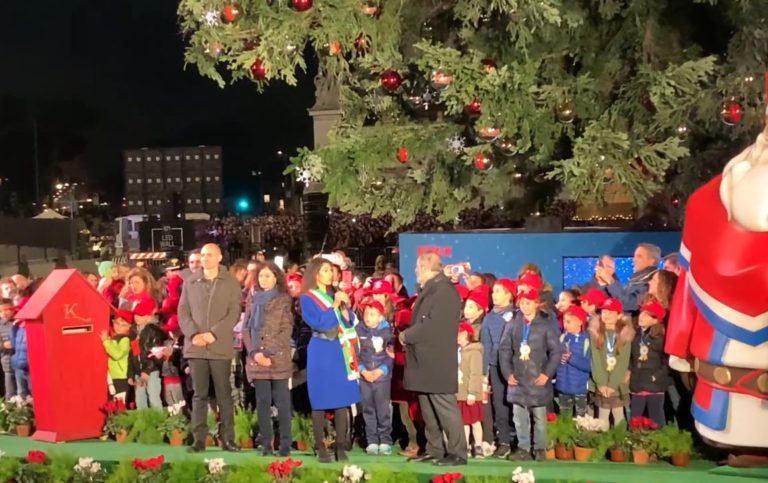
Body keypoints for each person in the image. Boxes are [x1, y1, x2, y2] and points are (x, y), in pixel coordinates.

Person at [400, 251, 467, 466]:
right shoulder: (433, 289)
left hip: (436, 360)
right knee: (428, 409)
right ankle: (435, 449)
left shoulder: (444, 291)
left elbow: (432, 325)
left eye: (418, 267)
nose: (415, 271)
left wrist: (407, 335)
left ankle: (457, 452)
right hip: (425, 360)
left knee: (445, 408)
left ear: (428, 266)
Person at [178, 243, 243, 453]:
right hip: (196, 347)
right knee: (199, 394)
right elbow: (183, 312)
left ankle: (229, 439)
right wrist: (194, 334)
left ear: (219, 257)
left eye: (209, 255)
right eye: (203, 255)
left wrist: (213, 333)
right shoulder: (190, 282)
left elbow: (233, 313)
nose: (205, 259)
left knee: (224, 395)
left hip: (219, 346)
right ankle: (198, 440)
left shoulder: (230, 283)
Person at [299, 258, 361, 463]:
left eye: (331, 270)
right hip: (321, 349)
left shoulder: (336, 294)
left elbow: (349, 321)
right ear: (316, 273)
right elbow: (319, 323)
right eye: (326, 270)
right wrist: (334, 306)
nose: (330, 274)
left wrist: (344, 307)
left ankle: (341, 447)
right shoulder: (307, 298)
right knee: (320, 400)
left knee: (341, 400)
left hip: (339, 349)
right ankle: (321, 447)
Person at [499, 289, 562, 462]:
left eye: (529, 302)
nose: (525, 306)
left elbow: (556, 351)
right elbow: (504, 350)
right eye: (522, 302)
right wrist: (507, 373)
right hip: (517, 379)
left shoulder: (545, 326)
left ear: (536, 304)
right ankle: (523, 448)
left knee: (539, 418)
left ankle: (540, 448)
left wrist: (547, 374)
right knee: (519, 418)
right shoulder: (512, 325)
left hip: (537, 380)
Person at [242, 261, 295, 456]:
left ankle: (285, 444)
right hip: (256, 360)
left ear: (276, 278)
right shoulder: (252, 299)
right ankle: (266, 444)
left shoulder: (283, 300)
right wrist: (254, 352)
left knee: (282, 403)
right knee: (262, 403)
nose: (264, 280)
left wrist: (267, 353)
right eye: (261, 276)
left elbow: (286, 330)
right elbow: (246, 328)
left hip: (277, 359)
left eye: (268, 276)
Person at [480, 279, 517, 458]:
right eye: (493, 292)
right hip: (496, 366)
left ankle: (522, 440)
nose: (494, 295)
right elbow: (485, 345)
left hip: (516, 366)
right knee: (500, 404)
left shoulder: (517, 315)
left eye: (498, 291)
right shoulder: (489, 317)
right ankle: (504, 441)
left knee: (517, 403)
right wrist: (484, 372)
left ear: (509, 295)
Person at [589, 298, 634, 427]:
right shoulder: (595, 333)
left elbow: (623, 362)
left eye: (611, 312)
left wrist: (612, 384)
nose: (606, 315)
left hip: (617, 383)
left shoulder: (625, 334)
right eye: (604, 311)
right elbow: (595, 360)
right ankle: (604, 444)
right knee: (602, 415)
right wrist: (601, 383)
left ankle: (619, 445)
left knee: (618, 414)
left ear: (619, 315)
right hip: (601, 383)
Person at [356, 301, 394, 456]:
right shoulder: (358, 331)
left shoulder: (388, 333)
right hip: (365, 378)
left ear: (380, 317)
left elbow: (391, 355)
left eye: (372, 315)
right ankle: (372, 440)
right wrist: (363, 371)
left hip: (382, 378)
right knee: (368, 409)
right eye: (366, 314)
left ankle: (385, 440)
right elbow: (354, 354)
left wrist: (381, 370)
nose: (368, 318)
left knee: (383, 409)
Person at [629, 300, 669, 429]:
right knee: (635, 421)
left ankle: (655, 447)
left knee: (654, 421)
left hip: (654, 384)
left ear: (655, 320)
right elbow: (631, 358)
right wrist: (630, 372)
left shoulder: (660, 338)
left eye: (647, 315)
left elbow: (666, 361)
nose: (641, 316)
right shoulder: (635, 335)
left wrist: (656, 376)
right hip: (637, 382)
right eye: (642, 313)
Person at [597, 243, 660, 314]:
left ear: (652, 261)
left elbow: (630, 304)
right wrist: (602, 283)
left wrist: (611, 281)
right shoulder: (635, 280)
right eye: (634, 256)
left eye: (639, 256)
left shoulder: (651, 282)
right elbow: (612, 302)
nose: (634, 260)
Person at [128, 298, 167, 409]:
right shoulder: (133, 331)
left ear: (148, 316)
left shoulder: (154, 332)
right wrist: (130, 374)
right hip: (137, 371)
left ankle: (158, 423)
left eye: (141, 315)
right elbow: (132, 354)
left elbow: (155, 353)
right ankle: (144, 423)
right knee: (140, 400)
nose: (137, 317)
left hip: (152, 371)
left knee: (154, 398)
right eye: (135, 314)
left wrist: (147, 371)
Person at [555, 305, 591, 416]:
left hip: (579, 389)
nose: (565, 324)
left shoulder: (587, 340)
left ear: (580, 322)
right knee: (564, 419)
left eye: (569, 321)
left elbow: (590, 365)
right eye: (564, 321)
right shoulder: (562, 338)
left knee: (580, 419)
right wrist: (558, 360)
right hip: (563, 386)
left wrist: (572, 359)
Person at [457, 322, 484, 459]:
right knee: (463, 422)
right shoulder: (458, 351)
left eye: (460, 333)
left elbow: (476, 373)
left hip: (470, 393)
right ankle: (466, 445)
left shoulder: (474, 352)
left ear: (467, 334)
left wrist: (472, 393)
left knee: (475, 421)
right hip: (460, 393)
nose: (457, 336)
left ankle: (478, 445)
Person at [101, 309, 133, 401]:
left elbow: (117, 354)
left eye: (123, 325)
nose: (119, 327)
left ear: (129, 327)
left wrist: (106, 342)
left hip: (121, 376)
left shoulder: (125, 340)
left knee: (120, 402)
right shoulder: (114, 338)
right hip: (113, 375)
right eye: (116, 323)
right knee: (114, 402)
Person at [1, 299, 16, 397]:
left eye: (7, 310)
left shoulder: (19, 322)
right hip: (7, 361)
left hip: (22, 362)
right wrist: (2, 345)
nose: (4, 313)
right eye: (1, 311)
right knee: (10, 390)